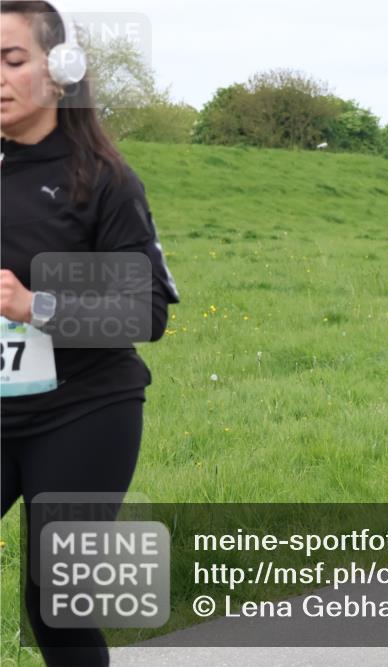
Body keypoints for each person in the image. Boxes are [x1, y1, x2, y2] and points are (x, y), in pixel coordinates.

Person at [1, 2, 179, 663]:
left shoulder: (103, 181)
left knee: (54, 599)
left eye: (11, 59)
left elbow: (147, 312)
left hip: (85, 410)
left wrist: (35, 305)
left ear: (60, 69)